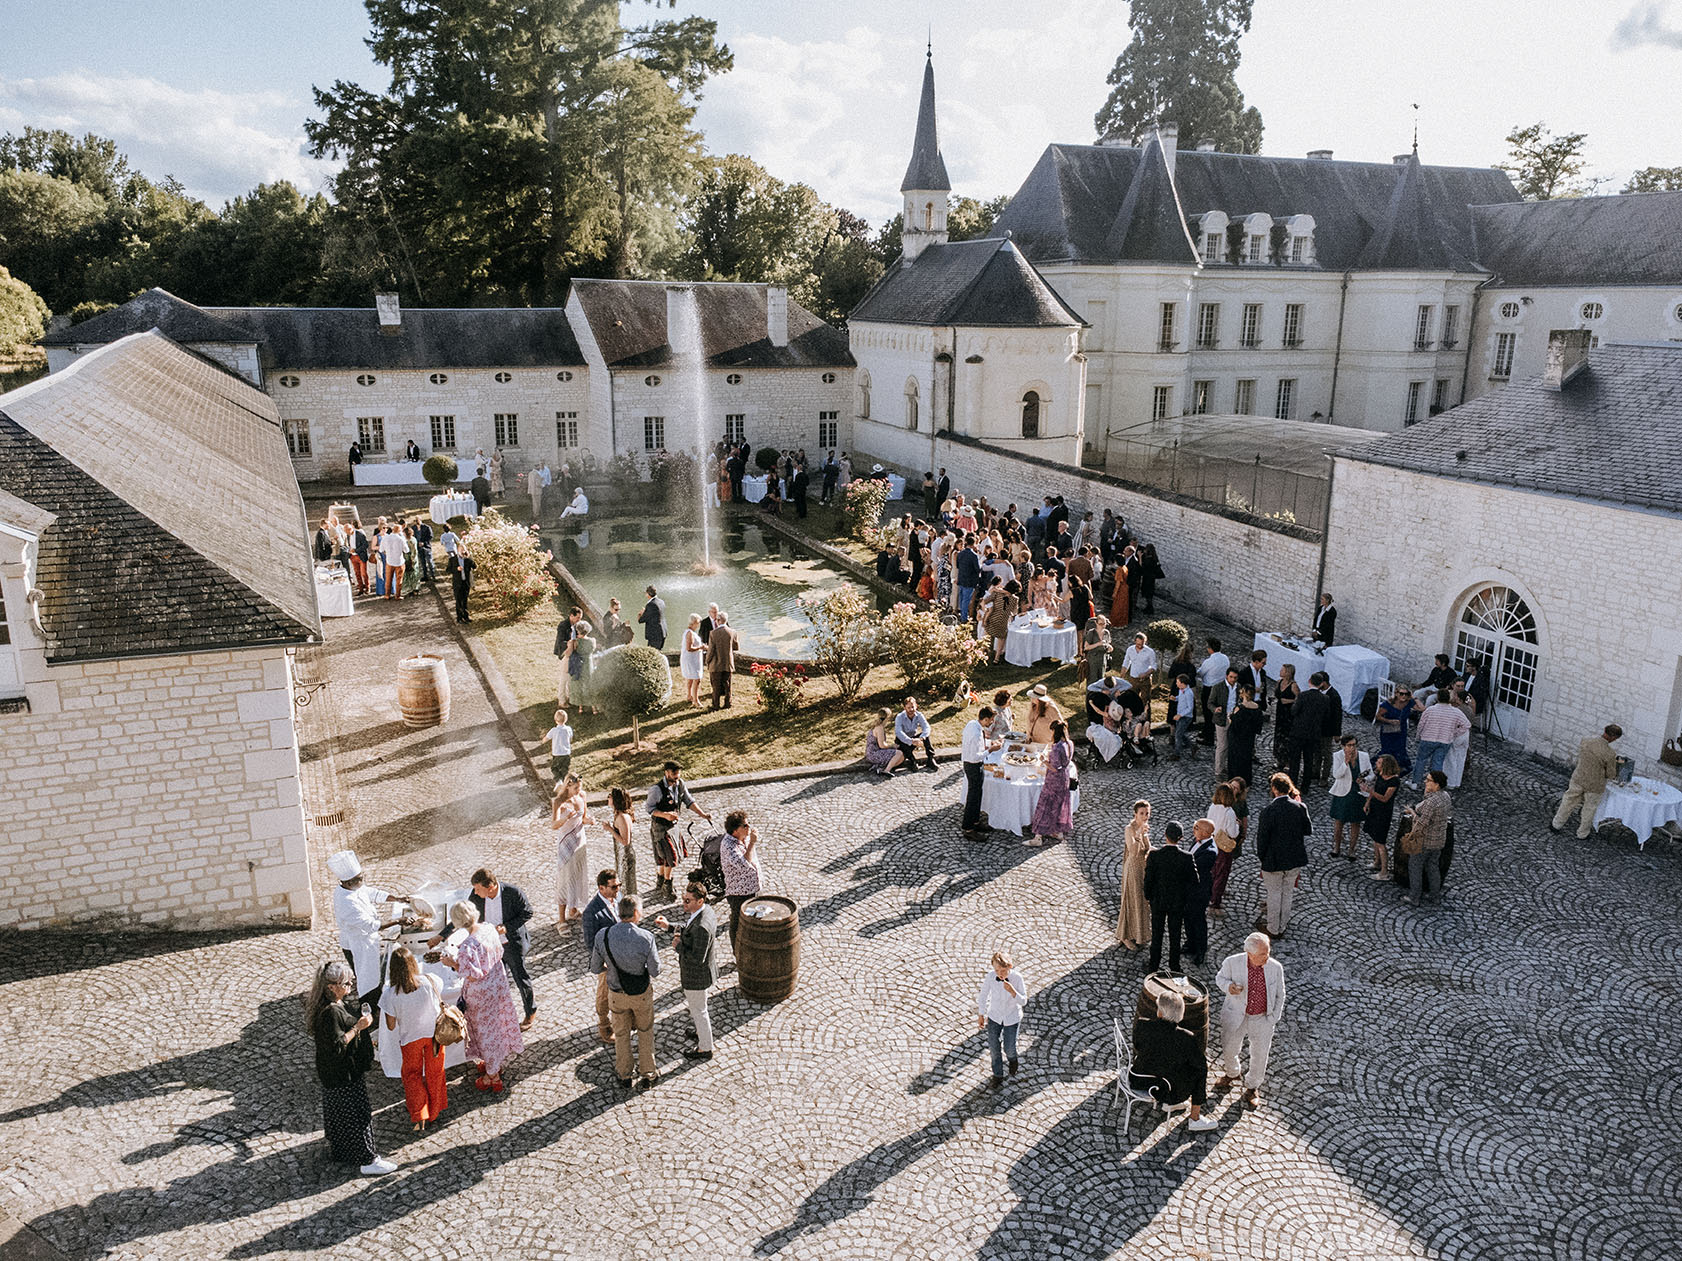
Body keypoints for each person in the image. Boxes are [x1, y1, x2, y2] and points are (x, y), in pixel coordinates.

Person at [307, 960, 396, 1176]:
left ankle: (342, 1150)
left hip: (334, 1073)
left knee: (339, 1114)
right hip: (343, 1073)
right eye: (346, 983)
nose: (350, 987)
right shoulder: (331, 1013)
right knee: (358, 1114)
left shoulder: (334, 1005)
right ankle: (368, 1159)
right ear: (331, 986)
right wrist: (359, 1027)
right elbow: (338, 1046)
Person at [442, 900, 524, 1093]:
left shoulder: (466, 947)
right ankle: (494, 1062)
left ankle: (492, 1076)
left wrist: (451, 963)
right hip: (497, 984)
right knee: (496, 1026)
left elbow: (470, 973)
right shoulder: (488, 928)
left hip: (480, 993)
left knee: (484, 1032)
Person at [591, 894, 660, 1089]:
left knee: (621, 1034)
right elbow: (655, 971)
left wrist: (612, 967)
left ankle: (624, 1075)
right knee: (645, 1031)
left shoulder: (602, 936)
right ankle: (648, 1073)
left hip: (617, 995)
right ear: (636, 913)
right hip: (641, 995)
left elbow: (595, 968)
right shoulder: (646, 938)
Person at [1214, 932, 1284, 1111]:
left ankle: (1252, 1087)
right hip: (1237, 1014)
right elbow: (1220, 979)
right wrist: (1229, 987)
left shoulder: (1275, 967)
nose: (1267, 957)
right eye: (1262, 954)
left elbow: (1280, 994)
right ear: (1250, 954)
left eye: (1267, 952)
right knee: (1229, 1047)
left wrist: (1273, 1018)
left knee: (1260, 1055)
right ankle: (1232, 1072)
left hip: (1262, 1017)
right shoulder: (1232, 962)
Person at [328, 849, 405, 1010]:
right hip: (358, 943)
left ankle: (375, 1000)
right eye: (360, 879)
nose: (363, 881)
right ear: (349, 882)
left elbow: (372, 893)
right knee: (366, 979)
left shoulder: (353, 887)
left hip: (367, 940)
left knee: (373, 974)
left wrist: (396, 899)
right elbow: (371, 925)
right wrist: (399, 921)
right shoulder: (346, 903)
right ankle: (369, 1008)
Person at [1131, 991, 1219, 1130]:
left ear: (1160, 1012)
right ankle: (1194, 1118)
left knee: (1169, 1062)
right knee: (1199, 1069)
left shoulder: (1143, 1024)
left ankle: (1173, 1105)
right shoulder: (1186, 1038)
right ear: (1180, 1014)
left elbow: (1137, 1046)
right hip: (1166, 1089)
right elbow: (1201, 1067)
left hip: (1138, 1079)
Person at [381, 946, 446, 1131]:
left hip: (411, 1039)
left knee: (412, 1076)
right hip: (434, 1035)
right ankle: (434, 1111)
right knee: (435, 1073)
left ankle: (420, 1114)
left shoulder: (390, 994)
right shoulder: (430, 980)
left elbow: (391, 1025)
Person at [468, 868, 536, 1031]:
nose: (475, 893)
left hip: (511, 944)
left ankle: (530, 1011)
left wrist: (507, 927)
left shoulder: (513, 893)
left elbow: (527, 912)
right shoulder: (476, 895)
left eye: (478, 889)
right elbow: (466, 914)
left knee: (521, 979)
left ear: (490, 887)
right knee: (495, 982)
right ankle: (499, 1017)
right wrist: (442, 936)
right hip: (491, 946)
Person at [657, 883, 719, 1061]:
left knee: (699, 1010)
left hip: (696, 975)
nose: (683, 903)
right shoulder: (703, 912)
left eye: (687, 900)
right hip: (701, 972)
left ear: (700, 901)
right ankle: (702, 1033)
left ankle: (705, 1047)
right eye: (684, 899)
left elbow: (696, 957)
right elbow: (688, 928)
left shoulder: (702, 926)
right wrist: (669, 927)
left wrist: (678, 947)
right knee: (700, 1008)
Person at [1256, 774, 1311, 937]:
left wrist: (1263, 857)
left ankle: (1273, 927)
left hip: (1274, 858)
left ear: (1274, 789)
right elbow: (1308, 830)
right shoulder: (1300, 808)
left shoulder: (1269, 811)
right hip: (1294, 858)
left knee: (1274, 893)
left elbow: (1262, 839)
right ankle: (1283, 925)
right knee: (1287, 893)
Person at [648, 762, 711, 904]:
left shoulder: (680, 784)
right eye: (673, 773)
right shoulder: (656, 790)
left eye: (678, 774)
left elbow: (689, 801)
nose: (676, 776)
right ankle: (667, 885)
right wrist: (666, 815)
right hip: (660, 826)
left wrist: (702, 814)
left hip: (673, 826)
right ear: (666, 773)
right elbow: (650, 809)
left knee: (665, 857)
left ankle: (660, 880)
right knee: (669, 856)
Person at [1144, 820, 1198, 973]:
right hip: (1177, 903)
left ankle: (1153, 965)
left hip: (1158, 901)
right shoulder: (1187, 857)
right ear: (1181, 838)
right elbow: (1195, 881)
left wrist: (1148, 897)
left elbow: (1148, 880)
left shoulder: (1154, 856)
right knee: (1175, 935)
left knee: (1157, 934)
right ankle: (1174, 965)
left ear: (1164, 835)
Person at [1552, 724, 1623, 838]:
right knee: (1589, 809)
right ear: (1613, 736)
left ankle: (1556, 824)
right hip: (1595, 785)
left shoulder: (1585, 741)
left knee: (1568, 802)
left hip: (1579, 778)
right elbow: (1610, 774)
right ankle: (1582, 833)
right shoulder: (1610, 753)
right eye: (1616, 738)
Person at [976, 950, 1028, 1090]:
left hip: (1012, 1018)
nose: (1000, 973)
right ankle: (997, 1075)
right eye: (997, 969)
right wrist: (981, 1013)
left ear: (1010, 966)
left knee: (1009, 1048)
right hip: (994, 1017)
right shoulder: (991, 977)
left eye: (1003, 970)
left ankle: (1013, 1060)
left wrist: (1012, 991)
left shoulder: (1017, 978)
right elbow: (983, 995)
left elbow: (1023, 1001)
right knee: (994, 1048)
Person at [1400, 770, 1453, 906]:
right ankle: (1435, 896)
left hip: (1425, 841)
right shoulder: (1445, 796)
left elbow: (1422, 823)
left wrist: (1412, 813)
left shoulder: (1431, 802)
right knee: (1433, 867)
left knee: (1415, 866)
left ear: (1436, 784)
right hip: (1439, 840)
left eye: (1428, 780)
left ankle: (1414, 897)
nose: (1425, 782)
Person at [581, 870, 621, 1044]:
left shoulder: (618, 899)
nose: (618, 889)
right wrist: (603, 962)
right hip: (607, 961)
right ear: (601, 888)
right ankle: (604, 1024)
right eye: (613, 887)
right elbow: (590, 943)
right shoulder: (591, 912)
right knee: (604, 994)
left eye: (618, 885)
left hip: (622, 955)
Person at [551, 773, 593, 925]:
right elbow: (554, 825)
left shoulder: (582, 796)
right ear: (568, 785)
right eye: (575, 787)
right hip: (566, 844)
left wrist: (590, 821)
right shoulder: (559, 802)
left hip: (580, 841)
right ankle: (561, 919)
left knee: (577, 875)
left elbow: (583, 818)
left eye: (579, 787)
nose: (578, 790)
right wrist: (565, 818)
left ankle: (573, 910)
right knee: (564, 879)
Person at [720, 810, 764, 949]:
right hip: (739, 894)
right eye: (744, 825)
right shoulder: (729, 846)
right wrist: (752, 843)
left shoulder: (742, 838)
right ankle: (737, 954)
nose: (748, 827)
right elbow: (744, 864)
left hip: (752, 889)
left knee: (753, 922)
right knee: (738, 924)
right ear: (735, 830)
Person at [1028, 719, 1074, 846]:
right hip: (1064, 778)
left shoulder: (1056, 747)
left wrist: (1043, 760)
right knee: (1058, 805)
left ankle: (1038, 837)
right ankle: (1056, 831)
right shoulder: (1070, 743)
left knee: (1045, 805)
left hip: (1053, 779)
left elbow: (1053, 767)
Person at [1413, 691, 1472, 788]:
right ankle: (1435, 785)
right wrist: (1453, 733)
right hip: (1444, 741)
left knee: (1421, 760)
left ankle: (1415, 783)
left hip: (1428, 739)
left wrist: (1418, 737)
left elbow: (1421, 725)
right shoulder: (1455, 711)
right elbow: (1466, 725)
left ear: (1438, 698)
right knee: (1437, 763)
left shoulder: (1430, 710)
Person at [1115, 799, 1152, 950]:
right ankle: (1124, 935)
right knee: (1130, 900)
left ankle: (1138, 933)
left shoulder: (1144, 827)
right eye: (1142, 813)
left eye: (1147, 813)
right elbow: (1134, 850)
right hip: (1133, 868)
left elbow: (1146, 848)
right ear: (1135, 814)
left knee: (1141, 901)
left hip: (1142, 867)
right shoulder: (1129, 829)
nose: (1145, 816)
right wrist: (1139, 834)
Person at [1327, 735, 1372, 859]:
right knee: (1339, 821)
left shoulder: (1364, 756)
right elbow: (1336, 774)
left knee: (1355, 823)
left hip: (1358, 792)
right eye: (1349, 745)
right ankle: (1336, 847)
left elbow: (1371, 774)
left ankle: (1352, 850)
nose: (1352, 748)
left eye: (1354, 745)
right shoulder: (1338, 756)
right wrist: (1345, 763)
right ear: (1343, 746)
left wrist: (1363, 778)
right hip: (1343, 792)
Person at [1184, 819, 1218, 966]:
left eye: (1196, 828)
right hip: (1188, 889)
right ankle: (1190, 944)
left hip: (1199, 891)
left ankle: (1200, 951)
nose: (1193, 829)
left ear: (1205, 833)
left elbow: (1192, 868)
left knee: (1198, 921)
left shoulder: (1210, 852)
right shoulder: (1198, 840)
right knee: (1187, 918)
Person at [1204, 784, 1243, 915]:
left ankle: (1208, 893)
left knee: (1212, 870)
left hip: (1211, 841)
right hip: (1223, 846)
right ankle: (1215, 900)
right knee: (1222, 873)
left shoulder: (1212, 807)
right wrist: (1238, 825)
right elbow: (1232, 833)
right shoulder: (1229, 812)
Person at [1362, 754, 1401, 880]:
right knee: (1375, 838)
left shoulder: (1394, 781)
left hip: (1383, 813)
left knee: (1380, 841)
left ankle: (1384, 871)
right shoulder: (1381, 775)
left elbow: (1385, 798)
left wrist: (1370, 792)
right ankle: (1377, 862)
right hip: (1375, 809)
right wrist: (1368, 802)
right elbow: (1375, 788)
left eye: (1379, 763)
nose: (1376, 765)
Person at [961, 705, 997, 839]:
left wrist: (990, 743)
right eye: (991, 720)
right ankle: (968, 829)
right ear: (986, 719)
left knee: (977, 795)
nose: (992, 723)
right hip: (973, 766)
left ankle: (975, 821)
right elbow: (975, 756)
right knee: (973, 798)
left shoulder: (972, 724)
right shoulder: (976, 733)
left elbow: (978, 744)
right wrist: (991, 750)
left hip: (973, 765)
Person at [1289, 673, 1331, 790]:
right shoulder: (1325, 699)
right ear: (1321, 684)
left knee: (1295, 760)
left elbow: (1294, 711)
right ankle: (1305, 786)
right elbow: (1326, 716)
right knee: (1309, 760)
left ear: (1309, 681)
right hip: (1313, 734)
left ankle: (1292, 784)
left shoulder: (1303, 696)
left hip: (1298, 732)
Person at [1375, 685, 1420, 774]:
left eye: (1406, 694)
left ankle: (1395, 769)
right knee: (1387, 750)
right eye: (1401, 694)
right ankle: (1383, 769)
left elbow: (1422, 708)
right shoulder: (1388, 704)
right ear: (1396, 694)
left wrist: (1413, 697)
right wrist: (1389, 721)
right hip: (1388, 731)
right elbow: (1378, 716)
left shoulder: (1409, 702)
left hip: (1401, 730)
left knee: (1400, 749)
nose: (1403, 696)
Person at [1228, 684, 1265, 786]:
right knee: (1247, 759)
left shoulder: (1240, 709)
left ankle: (1234, 779)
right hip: (1249, 738)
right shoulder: (1257, 708)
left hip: (1237, 738)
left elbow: (1234, 724)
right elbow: (1258, 726)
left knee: (1235, 759)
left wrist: (1230, 718)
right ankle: (1246, 780)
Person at [607, 787, 638, 897]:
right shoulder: (619, 815)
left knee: (627, 888)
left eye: (610, 796)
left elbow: (625, 841)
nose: (608, 798)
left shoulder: (622, 817)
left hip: (625, 857)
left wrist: (610, 829)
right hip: (621, 856)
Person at [894, 696, 939, 770]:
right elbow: (898, 732)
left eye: (912, 707)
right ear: (905, 708)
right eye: (908, 708)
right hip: (903, 739)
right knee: (902, 743)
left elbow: (927, 727)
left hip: (914, 737)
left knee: (926, 736)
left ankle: (930, 759)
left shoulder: (919, 715)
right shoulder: (899, 717)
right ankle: (912, 761)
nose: (911, 709)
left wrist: (921, 738)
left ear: (916, 706)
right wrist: (911, 741)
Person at [706, 611, 740, 710]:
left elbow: (711, 650)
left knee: (716, 685)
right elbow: (736, 647)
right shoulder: (733, 632)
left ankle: (715, 705)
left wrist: (707, 661)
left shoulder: (713, 633)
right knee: (727, 683)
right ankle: (728, 703)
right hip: (728, 662)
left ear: (719, 620)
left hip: (716, 663)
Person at [1210, 665, 1239, 779]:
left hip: (1234, 718)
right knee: (1222, 745)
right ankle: (1218, 770)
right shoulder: (1218, 687)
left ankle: (1224, 767)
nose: (1232, 680)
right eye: (1231, 677)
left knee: (1231, 745)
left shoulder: (1239, 687)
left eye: (1235, 677)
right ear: (1227, 676)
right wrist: (1215, 709)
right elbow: (1210, 702)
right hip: (1222, 719)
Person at [866, 707, 907, 777]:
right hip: (874, 753)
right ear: (888, 717)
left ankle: (880, 768)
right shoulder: (880, 728)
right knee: (899, 753)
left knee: (901, 757)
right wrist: (892, 746)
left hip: (872, 752)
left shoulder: (876, 725)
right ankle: (886, 770)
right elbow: (882, 745)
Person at [554, 606, 583, 706]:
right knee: (564, 678)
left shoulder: (575, 625)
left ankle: (567, 696)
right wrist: (571, 644)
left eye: (580, 618)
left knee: (569, 677)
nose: (579, 620)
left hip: (572, 654)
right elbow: (560, 641)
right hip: (565, 653)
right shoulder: (563, 625)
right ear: (571, 615)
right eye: (578, 618)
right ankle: (561, 701)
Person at [1273, 663, 1299, 770]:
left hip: (1289, 715)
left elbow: (1299, 699)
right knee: (1278, 736)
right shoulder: (1279, 682)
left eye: (1282, 670)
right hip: (1280, 713)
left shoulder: (1293, 685)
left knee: (1287, 738)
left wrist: (1288, 701)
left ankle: (1288, 762)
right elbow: (1276, 695)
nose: (1280, 671)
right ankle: (1279, 760)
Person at [543, 706, 574, 790]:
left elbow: (547, 738)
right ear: (566, 720)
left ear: (555, 720)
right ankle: (566, 782)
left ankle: (558, 781)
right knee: (565, 769)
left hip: (557, 753)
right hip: (566, 753)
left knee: (554, 768)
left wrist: (543, 740)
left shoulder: (554, 730)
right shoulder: (568, 729)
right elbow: (570, 738)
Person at [678, 614, 704, 708]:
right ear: (694, 623)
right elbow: (689, 648)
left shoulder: (689, 632)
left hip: (691, 658)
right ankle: (695, 700)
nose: (699, 625)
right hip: (691, 659)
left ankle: (689, 695)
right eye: (698, 623)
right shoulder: (690, 633)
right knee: (696, 679)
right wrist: (701, 647)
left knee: (690, 678)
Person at [1168, 675, 1195, 761]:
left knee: (1178, 735)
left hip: (1185, 717)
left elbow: (1190, 708)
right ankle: (1192, 746)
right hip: (1180, 715)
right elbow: (1181, 699)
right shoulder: (1181, 690)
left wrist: (1180, 715)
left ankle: (1177, 754)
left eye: (1178, 682)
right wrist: (1175, 698)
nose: (1176, 684)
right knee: (1180, 733)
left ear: (1183, 684)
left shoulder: (1189, 693)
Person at [377, 524, 407, 600]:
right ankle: (397, 595)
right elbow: (407, 550)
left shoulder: (385, 538)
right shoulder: (401, 539)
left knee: (388, 579)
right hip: (399, 562)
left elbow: (381, 550)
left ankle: (387, 595)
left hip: (389, 561)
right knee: (399, 579)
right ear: (399, 531)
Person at [446, 549, 474, 623]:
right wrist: (456, 569)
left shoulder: (467, 560)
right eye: (461, 550)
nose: (463, 551)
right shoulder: (453, 559)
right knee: (458, 600)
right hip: (457, 583)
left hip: (465, 583)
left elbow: (474, 566)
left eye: (464, 550)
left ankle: (466, 616)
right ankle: (459, 618)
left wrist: (469, 557)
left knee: (465, 600)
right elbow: (448, 570)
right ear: (458, 550)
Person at [1082, 616, 1110, 684]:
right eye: (1100, 624)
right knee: (1092, 680)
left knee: (1101, 680)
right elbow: (1086, 647)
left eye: (1104, 624)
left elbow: (1107, 644)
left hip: (1102, 660)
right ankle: (1090, 694)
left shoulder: (1106, 633)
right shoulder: (1091, 633)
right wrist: (1098, 644)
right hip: (1092, 660)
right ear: (1096, 623)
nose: (1102, 626)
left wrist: (1109, 648)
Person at [637, 585, 667, 650]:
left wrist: (641, 613)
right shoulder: (661, 602)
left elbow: (641, 620)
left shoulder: (651, 604)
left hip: (655, 635)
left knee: (652, 655)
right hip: (662, 632)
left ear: (648, 594)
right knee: (658, 653)